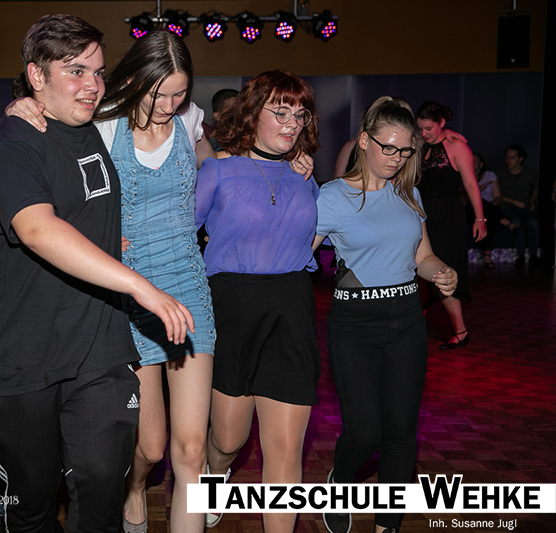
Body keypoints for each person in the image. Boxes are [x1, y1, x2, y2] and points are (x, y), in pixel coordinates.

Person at [0, 15, 194, 533]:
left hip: (100, 350)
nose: (92, 85)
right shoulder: (14, 135)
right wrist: (141, 286)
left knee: (101, 493)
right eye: (75, 71)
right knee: (31, 507)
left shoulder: (93, 130)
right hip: (25, 356)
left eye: (97, 72)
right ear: (36, 75)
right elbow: (36, 228)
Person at [314, 96, 457, 533]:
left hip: (407, 320)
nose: (396, 158)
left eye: (405, 150)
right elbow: (297, 256)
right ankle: (340, 482)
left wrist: (442, 272)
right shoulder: (332, 197)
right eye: (388, 147)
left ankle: (387, 525)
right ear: (364, 141)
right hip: (354, 325)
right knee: (364, 432)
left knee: (400, 432)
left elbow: (423, 256)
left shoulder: (409, 193)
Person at [195, 70, 317, 533]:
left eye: (299, 115)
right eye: (281, 112)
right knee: (228, 439)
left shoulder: (305, 176)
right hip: (233, 308)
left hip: (292, 310)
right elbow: (181, 237)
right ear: (252, 113)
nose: (292, 124)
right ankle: (215, 474)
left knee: (285, 448)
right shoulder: (218, 171)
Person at [415, 101, 486, 350]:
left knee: (442, 273)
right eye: (421, 129)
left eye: (429, 128)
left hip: (448, 217)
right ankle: (416, 323)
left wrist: (480, 218)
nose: (424, 133)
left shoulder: (456, 146)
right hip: (423, 216)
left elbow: (471, 184)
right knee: (417, 272)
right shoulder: (420, 145)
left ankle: (461, 331)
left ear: (441, 123)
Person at [470, 152, 518, 268]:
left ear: (481, 164)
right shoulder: (464, 175)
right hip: (471, 210)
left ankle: (487, 254)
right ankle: (505, 222)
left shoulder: (490, 176)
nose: (472, 163)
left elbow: (498, 197)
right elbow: (464, 198)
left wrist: (492, 204)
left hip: (489, 210)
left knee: (488, 217)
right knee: (480, 204)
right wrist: (479, 189)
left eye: (474, 161)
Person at [495, 144, 539, 265]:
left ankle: (533, 254)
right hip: (507, 206)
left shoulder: (530, 172)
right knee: (516, 222)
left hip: (524, 206)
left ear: (520, 158)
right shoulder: (501, 173)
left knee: (533, 223)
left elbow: (536, 187)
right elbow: (497, 194)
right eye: (507, 157)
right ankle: (520, 254)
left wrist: (531, 201)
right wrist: (514, 201)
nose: (509, 160)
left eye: (512, 157)